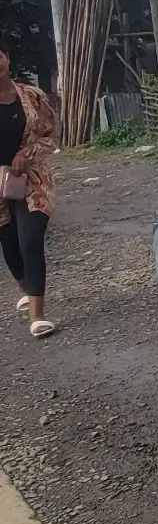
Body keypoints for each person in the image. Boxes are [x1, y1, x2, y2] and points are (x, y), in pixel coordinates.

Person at [0, 46, 58, 337]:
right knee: (9, 244)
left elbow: (51, 134)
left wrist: (28, 153)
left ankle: (38, 315)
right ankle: (26, 288)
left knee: (30, 241)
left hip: (33, 179)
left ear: (7, 58)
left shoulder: (33, 96)